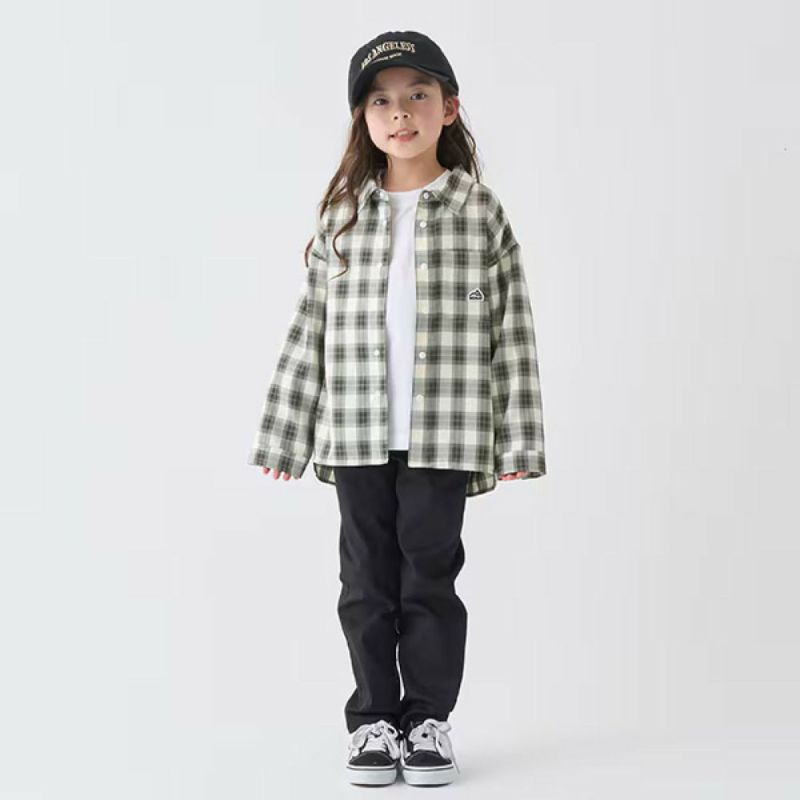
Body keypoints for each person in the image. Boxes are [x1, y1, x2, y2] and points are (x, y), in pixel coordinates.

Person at [247, 30, 547, 787]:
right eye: (381, 101)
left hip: (446, 430)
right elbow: (310, 324)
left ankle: (428, 722)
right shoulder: (343, 214)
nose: (400, 112)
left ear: (449, 108)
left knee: (429, 580)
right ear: (363, 118)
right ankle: (374, 722)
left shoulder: (479, 210)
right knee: (364, 583)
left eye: (417, 95)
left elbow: (512, 328)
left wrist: (517, 440)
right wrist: (285, 432)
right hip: (355, 431)